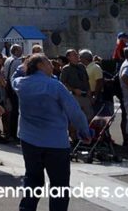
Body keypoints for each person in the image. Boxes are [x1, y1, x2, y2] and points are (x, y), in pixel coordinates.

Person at [13, 53, 93, 211]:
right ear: (40, 66)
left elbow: (15, 75)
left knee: (33, 179)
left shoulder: (20, 84)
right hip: (55, 141)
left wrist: (23, 66)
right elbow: (74, 111)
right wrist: (84, 132)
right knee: (59, 185)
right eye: (48, 62)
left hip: (29, 139)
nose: (52, 65)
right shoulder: (55, 86)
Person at [59, 50, 92, 128]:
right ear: (69, 57)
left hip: (86, 96)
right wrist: (74, 90)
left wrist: (89, 91)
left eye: (77, 54)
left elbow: (86, 80)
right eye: (74, 55)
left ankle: (87, 136)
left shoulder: (82, 66)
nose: (77, 56)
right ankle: (75, 138)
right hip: (75, 97)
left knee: (89, 117)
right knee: (75, 119)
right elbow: (62, 83)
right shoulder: (66, 69)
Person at [3, 43, 24, 141]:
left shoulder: (7, 60)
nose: (22, 52)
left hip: (8, 86)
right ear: (16, 51)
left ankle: (10, 132)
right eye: (20, 50)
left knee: (11, 110)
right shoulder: (17, 62)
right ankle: (14, 133)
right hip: (14, 87)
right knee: (15, 111)